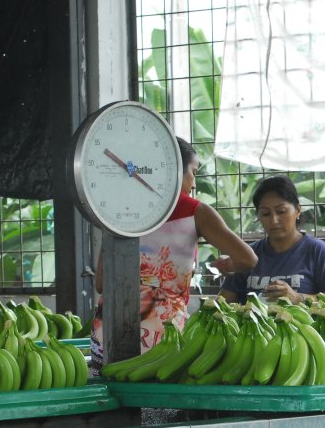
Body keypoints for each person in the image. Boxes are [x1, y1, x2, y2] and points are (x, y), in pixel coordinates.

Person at [90, 139, 257, 367]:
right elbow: (248, 258)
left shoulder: (120, 208)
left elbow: (101, 283)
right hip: (163, 334)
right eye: (193, 172)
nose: (194, 183)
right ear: (175, 169)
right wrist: (228, 265)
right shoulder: (195, 211)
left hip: (108, 331)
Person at [219, 175, 325, 304]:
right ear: (258, 216)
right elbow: (222, 304)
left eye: (281, 211)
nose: (274, 221)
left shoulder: (318, 252)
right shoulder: (247, 256)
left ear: (298, 210)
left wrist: (298, 298)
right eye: (265, 214)